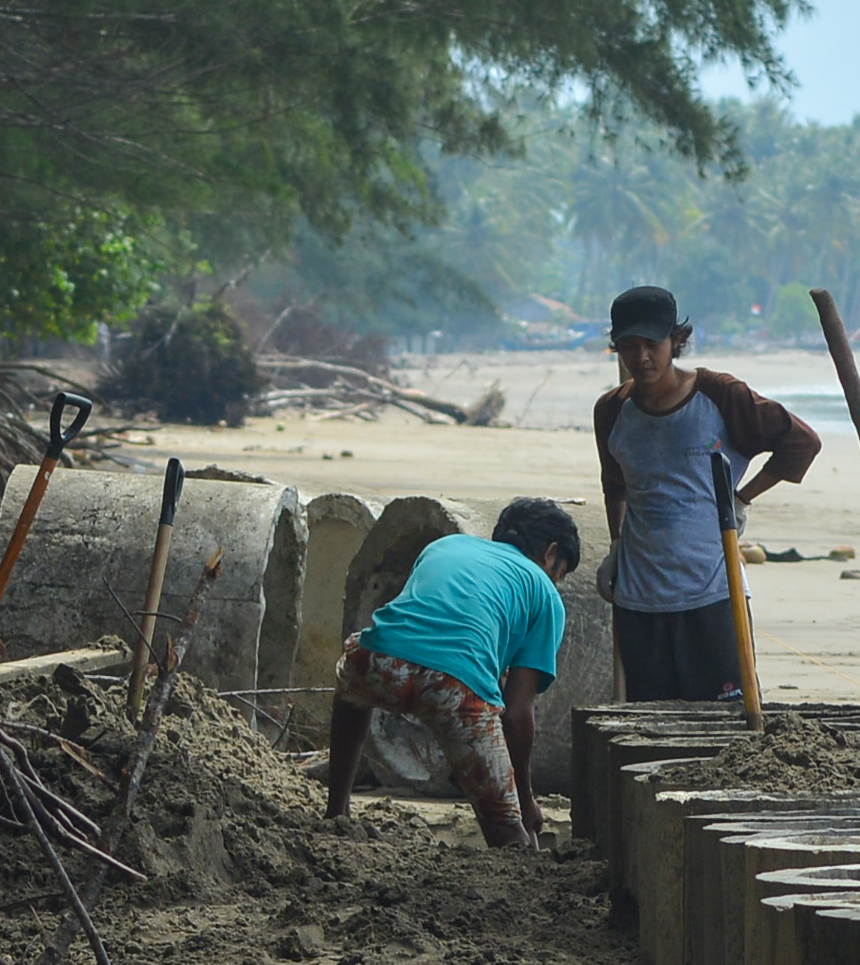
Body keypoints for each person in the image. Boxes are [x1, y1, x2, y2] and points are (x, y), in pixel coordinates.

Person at [588, 285, 820, 704]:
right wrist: (616, 544)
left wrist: (741, 498)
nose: (641, 358)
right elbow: (615, 484)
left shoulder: (718, 395)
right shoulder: (611, 410)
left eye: (651, 345)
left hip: (713, 591)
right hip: (639, 597)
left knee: (728, 719)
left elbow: (801, 442)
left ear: (676, 341)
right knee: (649, 721)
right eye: (628, 346)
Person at [329, 497, 581, 845]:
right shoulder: (543, 591)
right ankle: (524, 875)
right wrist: (524, 798)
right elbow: (518, 713)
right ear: (551, 554)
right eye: (560, 574)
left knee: (350, 686)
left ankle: (336, 812)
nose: (556, 583)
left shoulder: (446, 545)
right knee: (506, 828)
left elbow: (425, 623)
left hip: (376, 661)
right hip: (454, 688)